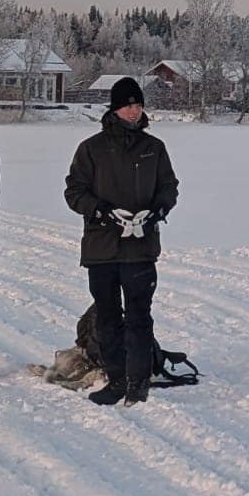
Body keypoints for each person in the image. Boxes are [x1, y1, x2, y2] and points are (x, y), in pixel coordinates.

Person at [64, 77, 178, 407]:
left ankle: (138, 383)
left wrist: (157, 211)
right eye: (128, 105)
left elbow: (169, 187)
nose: (133, 111)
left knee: (140, 316)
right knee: (108, 316)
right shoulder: (91, 148)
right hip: (102, 249)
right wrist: (102, 212)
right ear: (115, 109)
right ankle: (115, 380)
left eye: (138, 105)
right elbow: (74, 192)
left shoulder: (154, 148)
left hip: (141, 249)